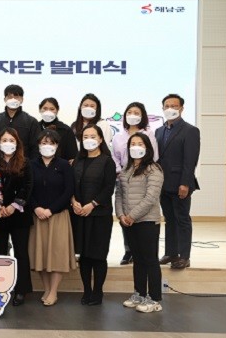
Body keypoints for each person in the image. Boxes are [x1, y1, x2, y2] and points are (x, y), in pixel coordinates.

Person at [116, 132, 164, 313]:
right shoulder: (126, 169)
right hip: (129, 222)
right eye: (132, 144)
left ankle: (154, 298)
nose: (136, 147)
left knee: (150, 259)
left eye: (140, 144)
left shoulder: (154, 169)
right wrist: (121, 215)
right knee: (137, 259)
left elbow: (151, 197)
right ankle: (139, 293)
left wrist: (132, 216)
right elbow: (119, 194)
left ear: (147, 148)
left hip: (147, 221)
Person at [28, 129, 77, 307]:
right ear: (38, 145)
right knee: (40, 255)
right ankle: (47, 288)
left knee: (57, 255)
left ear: (57, 145)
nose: (47, 146)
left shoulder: (64, 165)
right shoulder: (31, 164)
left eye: (51, 143)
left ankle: (54, 291)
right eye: (43, 143)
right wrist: (36, 208)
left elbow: (69, 190)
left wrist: (51, 209)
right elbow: (27, 189)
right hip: (37, 216)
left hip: (58, 216)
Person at [72, 124, 116, 306]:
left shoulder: (107, 161)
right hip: (80, 214)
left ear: (100, 139)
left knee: (98, 255)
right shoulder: (78, 160)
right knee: (84, 256)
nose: (89, 140)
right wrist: (73, 201)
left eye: (93, 136)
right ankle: (87, 291)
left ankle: (98, 291)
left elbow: (109, 188)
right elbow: (71, 184)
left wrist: (92, 204)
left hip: (99, 215)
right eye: (85, 137)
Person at [155, 94, 200, 270]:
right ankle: (171, 253)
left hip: (180, 183)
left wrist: (185, 183)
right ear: (162, 108)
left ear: (181, 108)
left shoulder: (190, 130)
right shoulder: (159, 131)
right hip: (163, 183)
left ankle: (184, 256)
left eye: (174, 106)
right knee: (169, 219)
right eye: (167, 106)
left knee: (182, 219)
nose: (170, 109)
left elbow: (190, 160)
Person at [111, 102, 159, 265]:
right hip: (123, 177)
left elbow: (154, 155)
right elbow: (114, 157)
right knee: (125, 211)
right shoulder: (118, 136)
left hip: (142, 177)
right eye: (129, 112)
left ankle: (141, 252)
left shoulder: (149, 134)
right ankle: (128, 250)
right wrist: (120, 171)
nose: (132, 115)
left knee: (140, 213)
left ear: (142, 116)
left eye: (136, 112)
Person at [0, 128, 33, 306]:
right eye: (4, 140)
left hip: (19, 215)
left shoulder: (25, 162)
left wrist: (13, 206)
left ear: (17, 143)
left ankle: (21, 290)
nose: (7, 143)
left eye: (11, 140)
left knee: (21, 252)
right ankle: (0, 287)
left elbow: (28, 186)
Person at [0, 84, 41, 159]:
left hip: (23, 164)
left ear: (22, 99)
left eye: (16, 96)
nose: (13, 99)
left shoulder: (31, 122)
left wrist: (30, 164)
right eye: (10, 97)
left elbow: (35, 148)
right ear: (5, 99)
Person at [38, 98, 78, 164]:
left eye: (52, 109)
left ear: (57, 110)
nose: (48, 112)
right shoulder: (34, 128)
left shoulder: (66, 130)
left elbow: (72, 156)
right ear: (40, 109)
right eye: (45, 108)